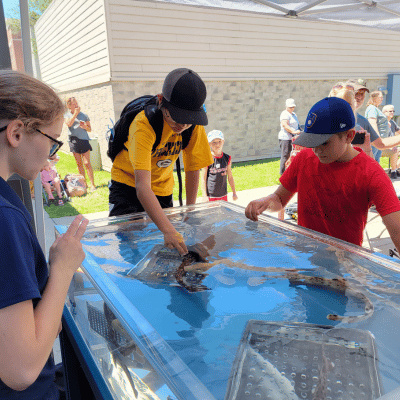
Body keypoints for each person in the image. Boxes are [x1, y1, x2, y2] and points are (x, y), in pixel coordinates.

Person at [0, 70, 88, 399]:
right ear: (17, 133)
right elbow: (20, 370)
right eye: (52, 141)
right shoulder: (4, 218)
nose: (54, 156)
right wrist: (62, 267)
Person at [245, 97, 400, 251]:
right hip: (304, 256)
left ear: (349, 136)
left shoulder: (371, 173)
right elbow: (279, 199)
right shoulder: (304, 158)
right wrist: (264, 202)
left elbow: (397, 229)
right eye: (312, 142)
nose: (316, 150)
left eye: (324, 143)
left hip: (342, 265)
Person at [109, 68, 213, 255]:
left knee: (165, 247)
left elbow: (193, 169)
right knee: (129, 245)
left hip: (161, 187)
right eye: (176, 117)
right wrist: (168, 230)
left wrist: (189, 213)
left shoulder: (192, 125)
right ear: (160, 101)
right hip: (127, 184)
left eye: (188, 121)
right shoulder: (143, 125)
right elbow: (142, 187)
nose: (182, 126)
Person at [64, 97, 96, 191]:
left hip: (84, 140)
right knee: (79, 164)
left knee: (87, 163)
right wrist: (75, 114)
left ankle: (92, 185)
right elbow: (69, 124)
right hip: (73, 141)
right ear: (69, 106)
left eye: (76, 103)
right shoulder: (66, 115)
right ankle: (84, 184)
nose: (76, 105)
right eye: (74, 104)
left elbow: (90, 129)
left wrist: (85, 127)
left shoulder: (84, 115)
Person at [201, 130, 238, 202]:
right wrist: (204, 195)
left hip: (223, 195)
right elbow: (203, 178)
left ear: (223, 142)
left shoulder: (227, 158)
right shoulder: (206, 158)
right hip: (211, 196)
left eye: (219, 141)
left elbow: (230, 176)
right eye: (214, 142)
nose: (217, 144)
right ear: (209, 144)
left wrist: (234, 192)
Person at [365, 91, 392, 163]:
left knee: (375, 160)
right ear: (375, 98)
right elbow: (372, 122)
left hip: (379, 139)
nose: (382, 98)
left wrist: (386, 122)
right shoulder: (372, 108)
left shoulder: (375, 108)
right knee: (371, 161)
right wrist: (377, 137)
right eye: (380, 97)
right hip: (375, 140)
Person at [278, 98, 301, 175]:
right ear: (286, 106)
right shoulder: (284, 114)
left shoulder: (294, 115)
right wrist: (293, 131)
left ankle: (290, 174)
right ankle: (282, 175)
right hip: (285, 138)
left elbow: (297, 125)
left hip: (293, 138)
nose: (292, 108)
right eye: (290, 107)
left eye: (293, 107)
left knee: (292, 156)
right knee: (285, 156)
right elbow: (285, 125)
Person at [382, 104, 400, 178]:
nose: (392, 112)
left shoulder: (392, 123)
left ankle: (396, 168)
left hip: (392, 147)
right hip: (381, 147)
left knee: (395, 149)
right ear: (384, 112)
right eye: (390, 111)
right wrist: (392, 145)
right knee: (395, 150)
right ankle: (393, 172)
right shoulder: (381, 123)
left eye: (393, 111)